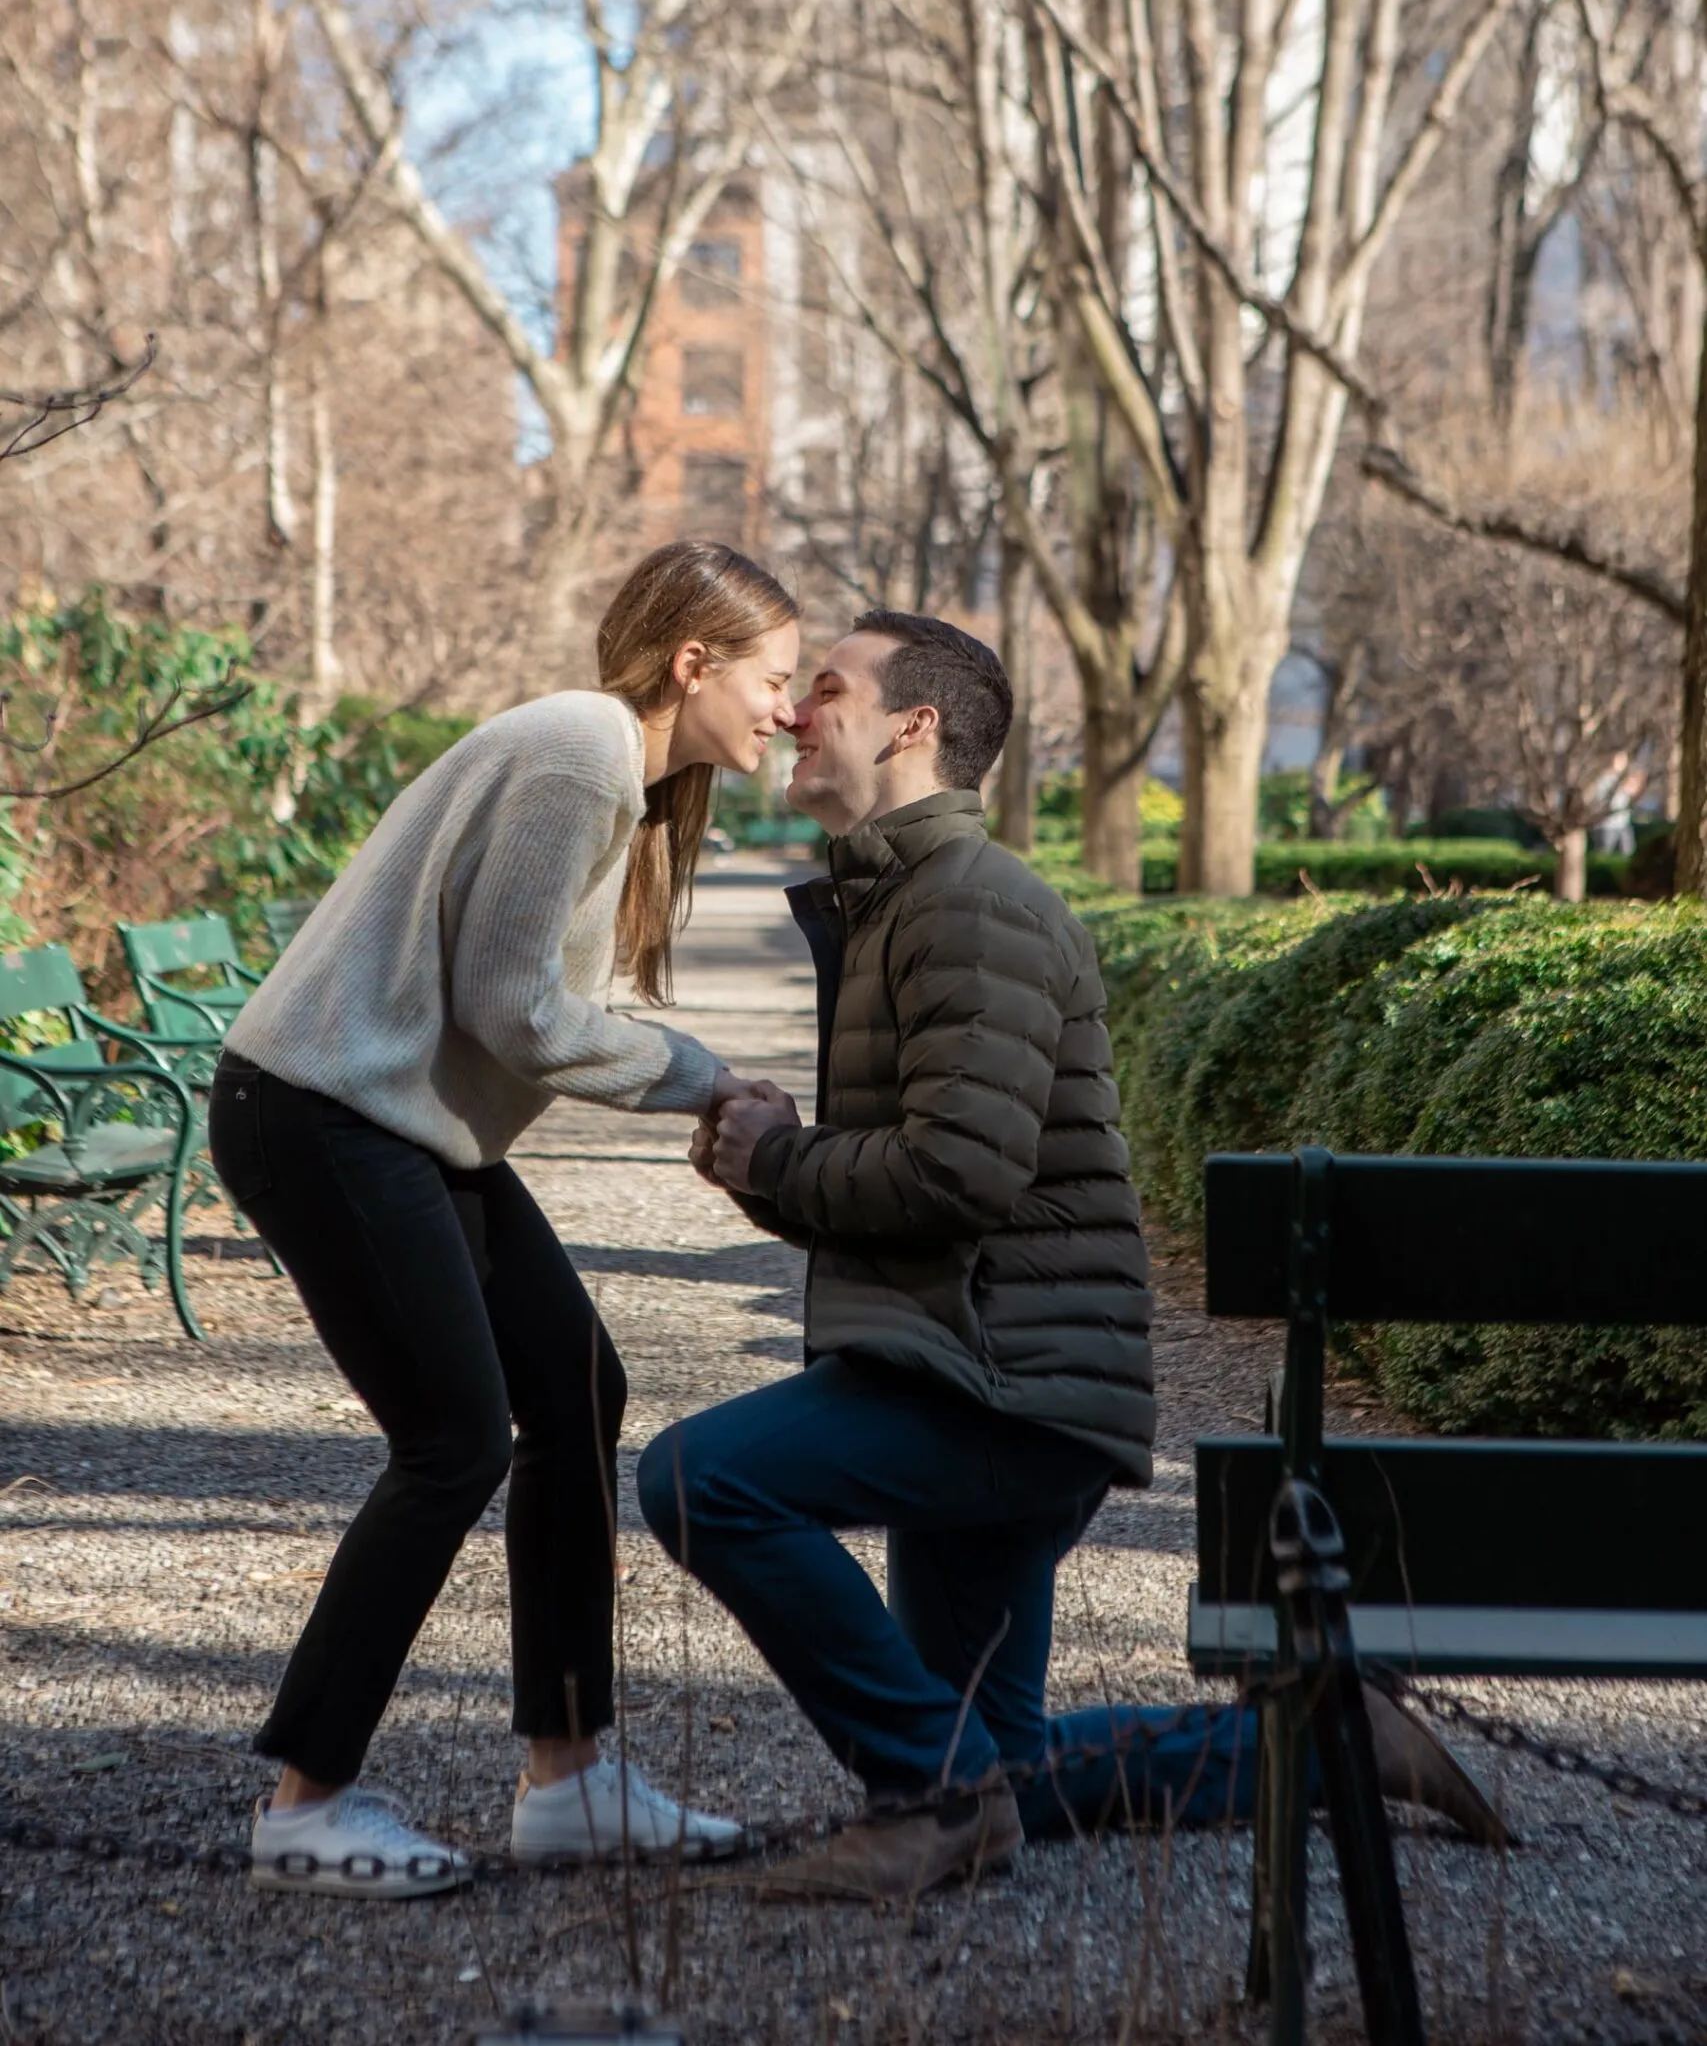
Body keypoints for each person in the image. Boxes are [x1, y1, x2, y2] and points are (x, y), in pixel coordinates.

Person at [638, 611, 1506, 1900]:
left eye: (828, 689)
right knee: (1016, 1768)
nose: (797, 714)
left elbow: (958, 1176)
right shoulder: (904, 900)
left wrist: (780, 1160)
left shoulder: (970, 908)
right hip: (978, 1365)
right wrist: (770, 1171)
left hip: (1002, 1385)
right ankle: (1327, 1740)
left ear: (911, 726)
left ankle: (930, 1807)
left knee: (702, 1480)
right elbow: (942, 1180)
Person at [208, 541, 799, 1897]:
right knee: (453, 1442)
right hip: (322, 1111)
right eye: (770, 679)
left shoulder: (626, 777)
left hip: (401, 1122)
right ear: (692, 661)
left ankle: (571, 1780)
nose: (783, 706)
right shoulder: (584, 750)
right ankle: (306, 1803)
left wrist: (699, 1077)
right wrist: (709, 1080)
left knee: (576, 1385)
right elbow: (515, 1012)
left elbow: (522, 1011)